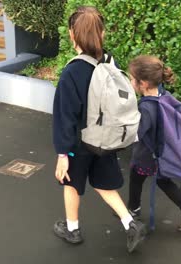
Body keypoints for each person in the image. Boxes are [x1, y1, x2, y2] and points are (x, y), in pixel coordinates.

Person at [52, 6, 146, 253]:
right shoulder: (109, 62)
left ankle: (72, 229)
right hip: (105, 140)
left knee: (71, 184)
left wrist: (63, 155)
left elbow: (65, 116)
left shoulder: (73, 71)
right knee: (104, 184)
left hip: (80, 144)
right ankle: (130, 223)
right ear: (101, 33)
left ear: (73, 34)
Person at [127, 55, 181, 231]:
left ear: (143, 83)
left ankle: (133, 210)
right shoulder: (163, 95)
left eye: (131, 78)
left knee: (136, 177)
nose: (130, 81)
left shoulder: (146, 107)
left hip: (146, 155)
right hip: (161, 153)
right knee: (163, 181)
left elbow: (137, 133)